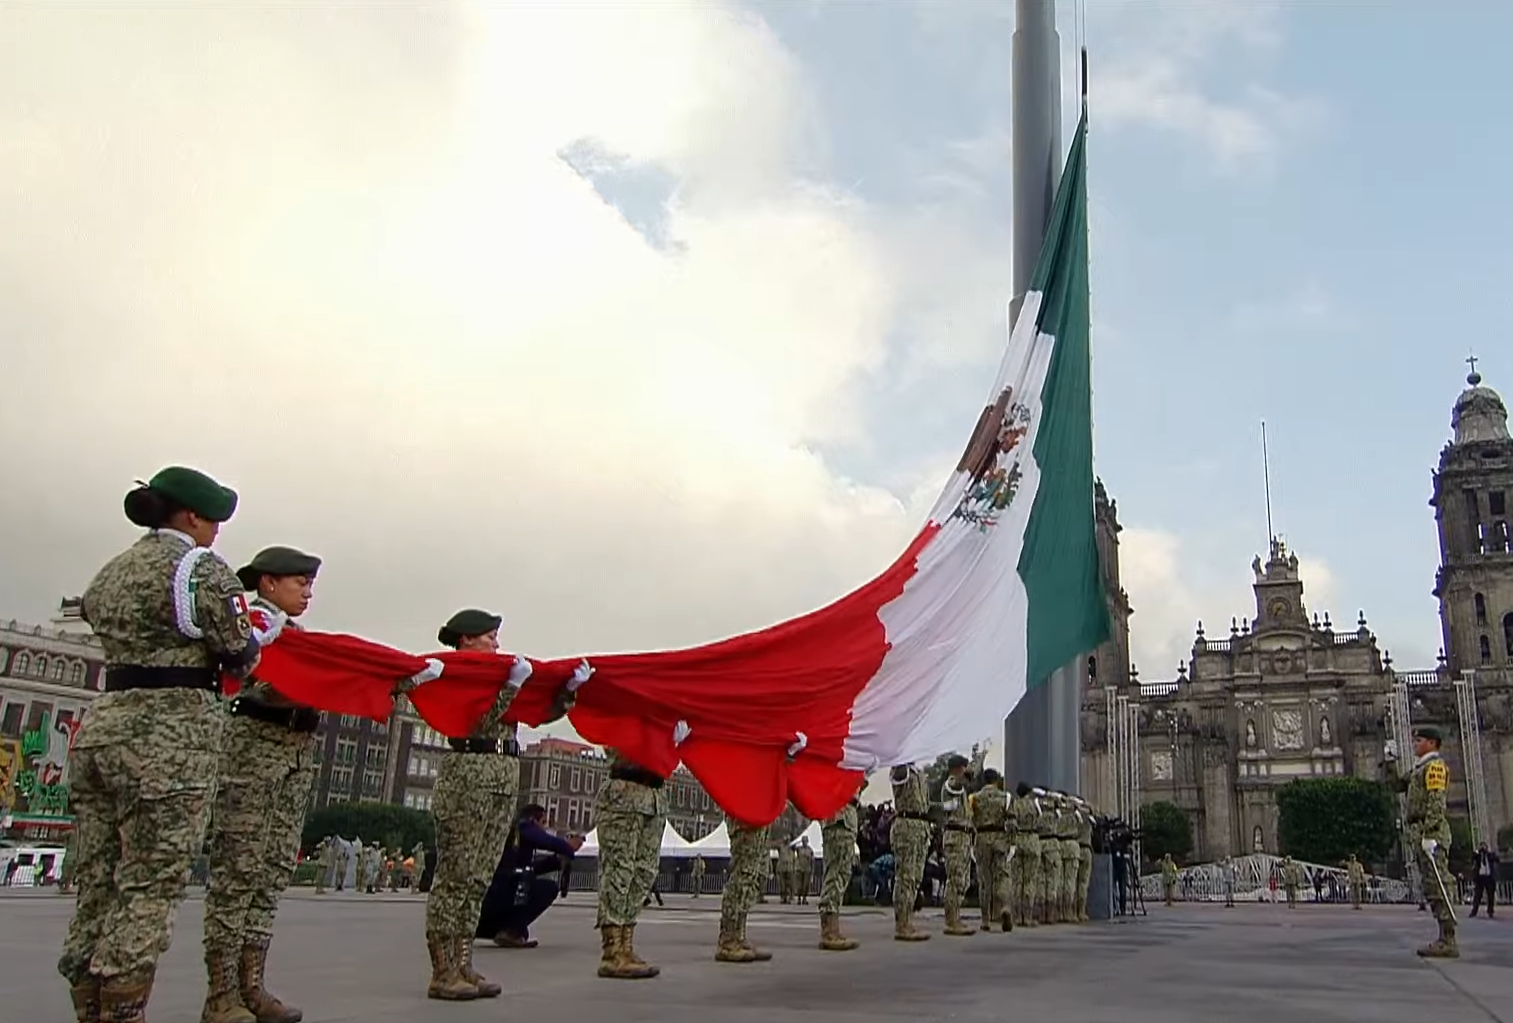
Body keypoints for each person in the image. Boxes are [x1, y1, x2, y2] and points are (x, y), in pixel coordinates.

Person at [58, 467, 260, 1023]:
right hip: (168, 741)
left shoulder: (114, 570)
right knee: (151, 881)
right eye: (213, 518)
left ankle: (88, 1006)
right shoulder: (201, 570)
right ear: (191, 516)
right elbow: (239, 651)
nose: (217, 529)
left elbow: (98, 618)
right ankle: (123, 1011)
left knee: (96, 883)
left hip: (103, 728)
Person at [418, 608, 585, 1000]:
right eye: (490, 636)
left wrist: (568, 694)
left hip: (500, 779)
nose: (497, 643)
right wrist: (510, 686)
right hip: (469, 776)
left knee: (479, 878)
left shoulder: (497, 679)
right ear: (467, 639)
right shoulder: (457, 674)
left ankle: (464, 964)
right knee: (455, 877)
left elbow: (531, 714)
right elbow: (476, 718)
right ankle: (443, 970)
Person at [201, 545, 323, 1023]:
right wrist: (313, 684)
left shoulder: (295, 634)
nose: (308, 592)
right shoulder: (252, 624)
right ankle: (221, 995)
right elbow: (245, 680)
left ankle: (252, 986)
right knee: (238, 875)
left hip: (292, 756)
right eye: (300, 582)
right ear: (268, 583)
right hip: (253, 755)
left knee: (270, 874)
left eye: (310, 584)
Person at [593, 750, 665, 979]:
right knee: (619, 871)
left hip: (654, 795)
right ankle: (612, 952)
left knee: (644, 873)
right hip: (624, 793)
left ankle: (626, 946)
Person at [1387, 725, 1457, 957]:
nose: (1415, 744)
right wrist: (1390, 762)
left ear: (1432, 743)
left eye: (1420, 740)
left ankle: (1448, 938)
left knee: (1438, 883)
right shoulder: (1419, 768)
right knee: (1430, 885)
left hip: (1431, 833)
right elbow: (1397, 785)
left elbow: (1436, 803)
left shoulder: (1434, 767)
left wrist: (1429, 834)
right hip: (1420, 831)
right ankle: (1443, 936)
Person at [477, 804, 583, 948]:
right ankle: (511, 931)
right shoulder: (522, 828)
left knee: (525, 880)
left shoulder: (514, 843)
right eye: (543, 823)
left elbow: (529, 869)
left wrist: (556, 861)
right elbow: (541, 838)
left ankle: (511, 930)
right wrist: (567, 846)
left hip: (486, 912)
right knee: (548, 888)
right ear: (533, 820)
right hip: (495, 900)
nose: (545, 828)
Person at [717, 815, 774, 962]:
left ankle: (739, 936)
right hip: (745, 814)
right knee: (742, 874)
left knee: (751, 878)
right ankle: (728, 940)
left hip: (760, 814)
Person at [817, 784, 863, 951]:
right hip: (839, 816)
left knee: (841, 872)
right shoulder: (840, 761)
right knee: (835, 873)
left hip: (845, 815)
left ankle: (832, 928)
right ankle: (829, 930)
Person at [889, 764, 931, 941]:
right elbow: (898, 772)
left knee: (915, 878)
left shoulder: (920, 773)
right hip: (906, 825)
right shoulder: (901, 768)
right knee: (905, 877)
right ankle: (902, 923)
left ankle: (909, 920)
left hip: (921, 827)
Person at [968, 768, 1011, 932]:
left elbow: (970, 819)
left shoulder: (975, 798)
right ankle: (1005, 906)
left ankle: (985, 919)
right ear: (997, 780)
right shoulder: (1005, 797)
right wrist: (1011, 842)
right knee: (1002, 875)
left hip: (982, 838)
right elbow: (1012, 821)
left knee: (984, 880)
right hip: (999, 838)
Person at [938, 755, 976, 937]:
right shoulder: (952, 783)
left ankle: (956, 917)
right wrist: (964, 775)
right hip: (955, 835)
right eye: (965, 767)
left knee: (963, 880)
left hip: (964, 836)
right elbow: (955, 785)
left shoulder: (961, 790)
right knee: (955, 878)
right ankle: (951, 920)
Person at [1010, 782, 1040, 928]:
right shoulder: (1035, 805)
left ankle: (1016, 917)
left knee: (1017, 881)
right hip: (1032, 841)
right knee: (1029, 881)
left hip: (1017, 841)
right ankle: (1027, 917)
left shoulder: (1014, 805)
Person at [1470, 842, 1498, 918]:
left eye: (1484, 846)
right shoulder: (1478, 856)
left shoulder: (1489, 855)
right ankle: (1474, 911)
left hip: (1489, 877)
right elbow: (1472, 858)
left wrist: (1488, 852)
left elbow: (1496, 859)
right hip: (1480, 877)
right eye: (1481, 846)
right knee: (1478, 895)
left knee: (1490, 895)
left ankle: (1490, 911)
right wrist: (1477, 851)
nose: (1482, 848)